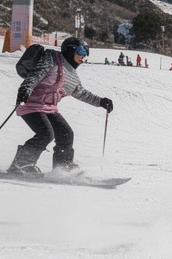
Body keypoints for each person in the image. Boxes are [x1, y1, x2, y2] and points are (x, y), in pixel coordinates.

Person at [10, 37, 113, 175]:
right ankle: (20, 165)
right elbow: (35, 74)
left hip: (49, 108)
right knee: (46, 133)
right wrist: (25, 89)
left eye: (86, 52)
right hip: (30, 104)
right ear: (70, 50)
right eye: (81, 51)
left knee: (66, 134)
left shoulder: (72, 74)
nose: (84, 56)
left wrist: (101, 102)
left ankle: (62, 168)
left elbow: (81, 93)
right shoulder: (51, 59)